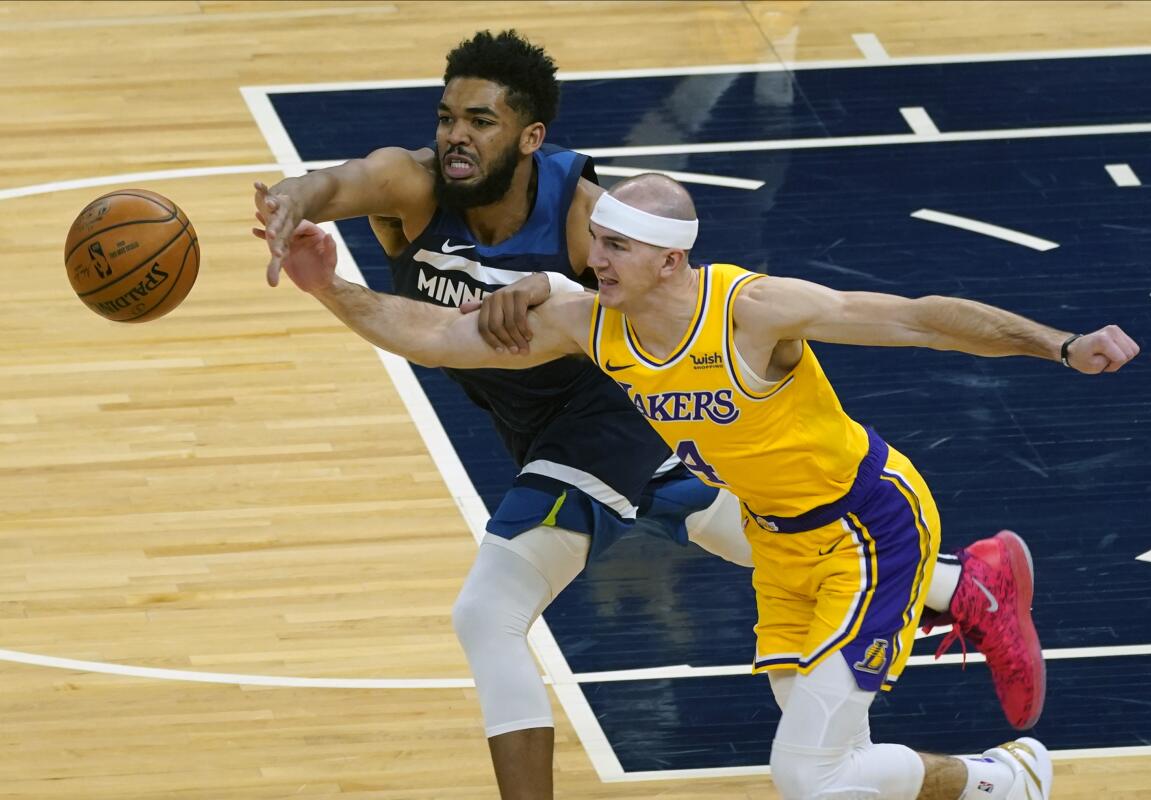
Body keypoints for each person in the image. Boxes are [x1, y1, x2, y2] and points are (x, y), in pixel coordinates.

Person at [253, 30, 1048, 798]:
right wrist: (295, 204)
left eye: (480, 122)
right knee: (716, 518)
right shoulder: (415, 185)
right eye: (446, 118)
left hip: (602, 418)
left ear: (529, 137)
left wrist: (554, 288)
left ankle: (952, 654)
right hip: (563, 424)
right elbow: (340, 186)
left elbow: (650, 290)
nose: (456, 137)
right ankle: (962, 593)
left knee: (488, 612)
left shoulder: (581, 212)